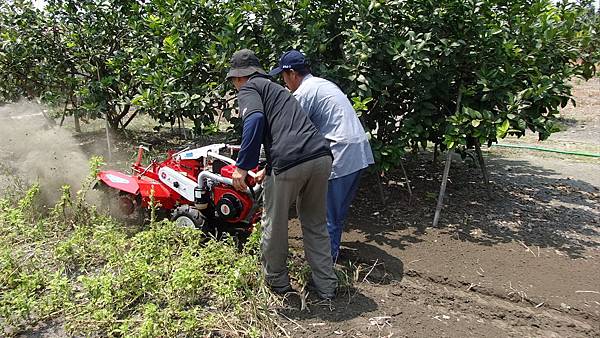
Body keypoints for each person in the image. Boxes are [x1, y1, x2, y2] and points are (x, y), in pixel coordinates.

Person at [226, 49, 338, 300]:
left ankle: (278, 284)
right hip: (320, 156)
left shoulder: (249, 89)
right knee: (315, 224)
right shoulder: (278, 90)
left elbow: (254, 120)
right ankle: (327, 286)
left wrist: (243, 166)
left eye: (234, 80)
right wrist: (267, 167)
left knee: (274, 225)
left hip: (292, 160)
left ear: (240, 77)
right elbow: (289, 131)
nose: (235, 85)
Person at [269, 50, 374, 262]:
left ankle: (324, 267)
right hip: (357, 151)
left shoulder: (304, 93)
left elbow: (291, 131)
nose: (284, 81)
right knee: (336, 213)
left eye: (283, 76)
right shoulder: (322, 84)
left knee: (326, 216)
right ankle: (329, 257)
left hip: (341, 152)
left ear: (292, 74)